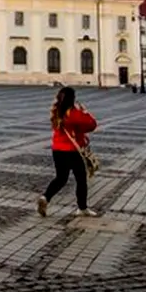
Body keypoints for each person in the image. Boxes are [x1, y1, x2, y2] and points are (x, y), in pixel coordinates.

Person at [37, 86, 98, 217]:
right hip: (73, 151)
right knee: (81, 179)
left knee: (61, 178)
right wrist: (85, 111)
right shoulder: (74, 113)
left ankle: (45, 197)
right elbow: (92, 125)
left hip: (57, 150)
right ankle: (82, 208)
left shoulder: (56, 112)